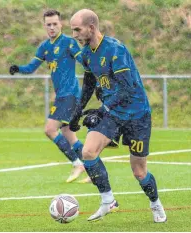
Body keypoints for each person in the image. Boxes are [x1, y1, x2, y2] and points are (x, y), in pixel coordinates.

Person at [69, 9, 167, 222]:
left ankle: (155, 203)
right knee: (88, 152)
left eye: (77, 29)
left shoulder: (115, 50)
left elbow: (127, 89)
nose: (74, 34)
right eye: (72, 30)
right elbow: (89, 84)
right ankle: (108, 200)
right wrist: (77, 112)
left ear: (91, 28)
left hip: (137, 115)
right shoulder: (86, 54)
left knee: (139, 172)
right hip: (113, 113)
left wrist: (102, 110)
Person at [9, 9, 89, 183]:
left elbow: (84, 60)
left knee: (50, 130)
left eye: (55, 24)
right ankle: (93, 168)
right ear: (44, 26)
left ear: (61, 24)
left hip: (70, 94)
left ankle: (77, 164)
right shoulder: (45, 47)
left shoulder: (69, 42)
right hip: (62, 96)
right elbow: (31, 68)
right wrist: (18, 69)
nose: (52, 27)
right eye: (48, 25)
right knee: (68, 134)